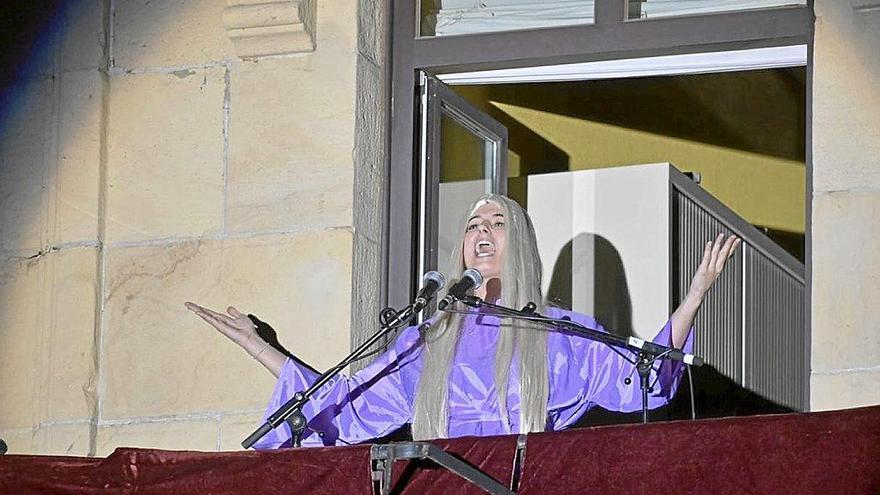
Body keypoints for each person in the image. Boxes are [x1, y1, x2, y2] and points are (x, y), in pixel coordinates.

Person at [186, 194, 739, 448]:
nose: (482, 229)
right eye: (474, 222)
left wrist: (689, 303)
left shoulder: (555, 332)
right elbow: (347, 406)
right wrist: (266, 352)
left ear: (518, 244)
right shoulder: (426, 341)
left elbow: (640, 383)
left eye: (497, 222)